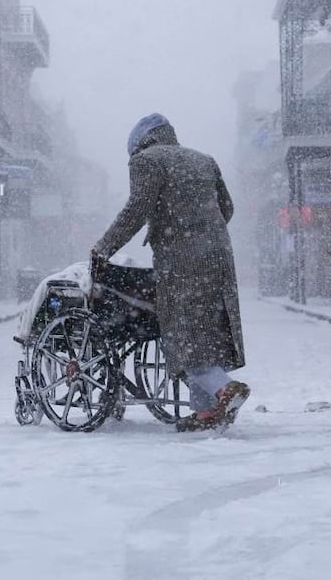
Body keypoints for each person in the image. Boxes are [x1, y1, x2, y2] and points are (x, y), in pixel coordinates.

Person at [92, 113, 249, 431]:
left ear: (137, 145)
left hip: (182, 260)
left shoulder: (146, 161)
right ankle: (206, 412)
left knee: (183, 333)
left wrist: (104, 248)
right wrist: (204, 230)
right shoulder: (204, 160)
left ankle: (224, 388)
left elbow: (137, 209)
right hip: (219, 257)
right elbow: (227, 208)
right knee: (208, 330)